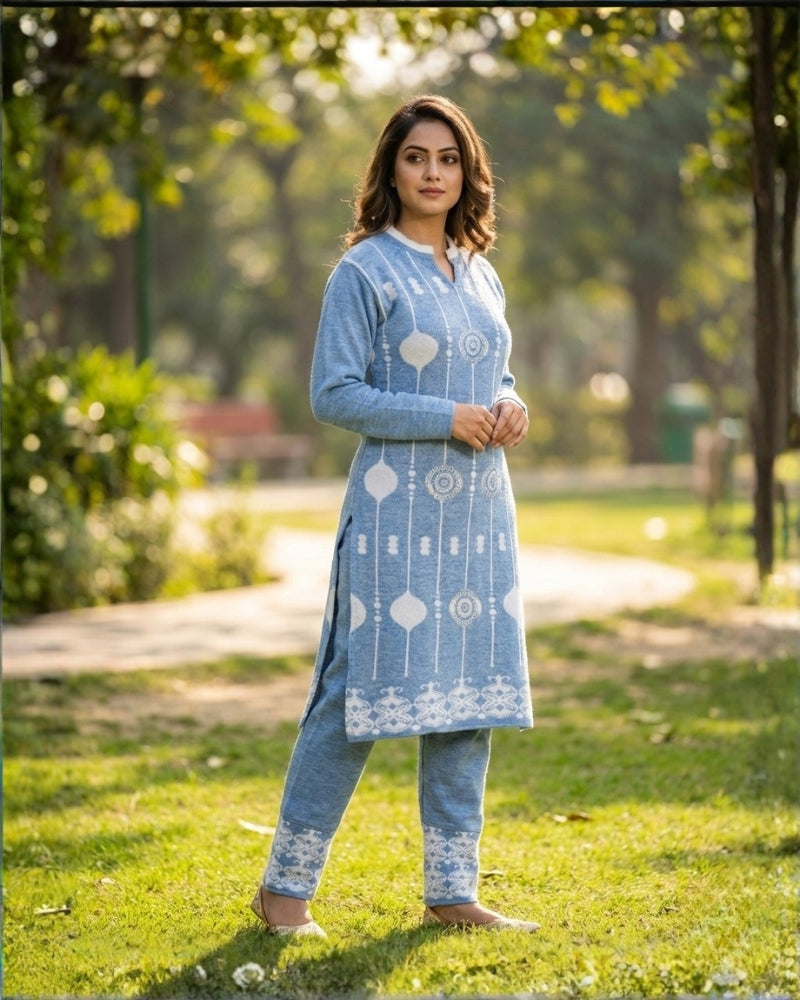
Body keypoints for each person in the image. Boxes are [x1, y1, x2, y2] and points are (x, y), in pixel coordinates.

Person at [251, 94, 538, 937]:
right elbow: (333, 394)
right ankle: (284, 890)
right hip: (393, 514)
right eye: (417, 157)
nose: (433, 173)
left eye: (448, 159)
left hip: (479, 514)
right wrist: (446, 416)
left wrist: (511, 403)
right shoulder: (365, 271)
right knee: (355, 695)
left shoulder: (480, 271)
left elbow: (495, 371)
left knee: (467, 699)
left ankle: (453, 891)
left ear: (467, 172)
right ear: (391, 169)